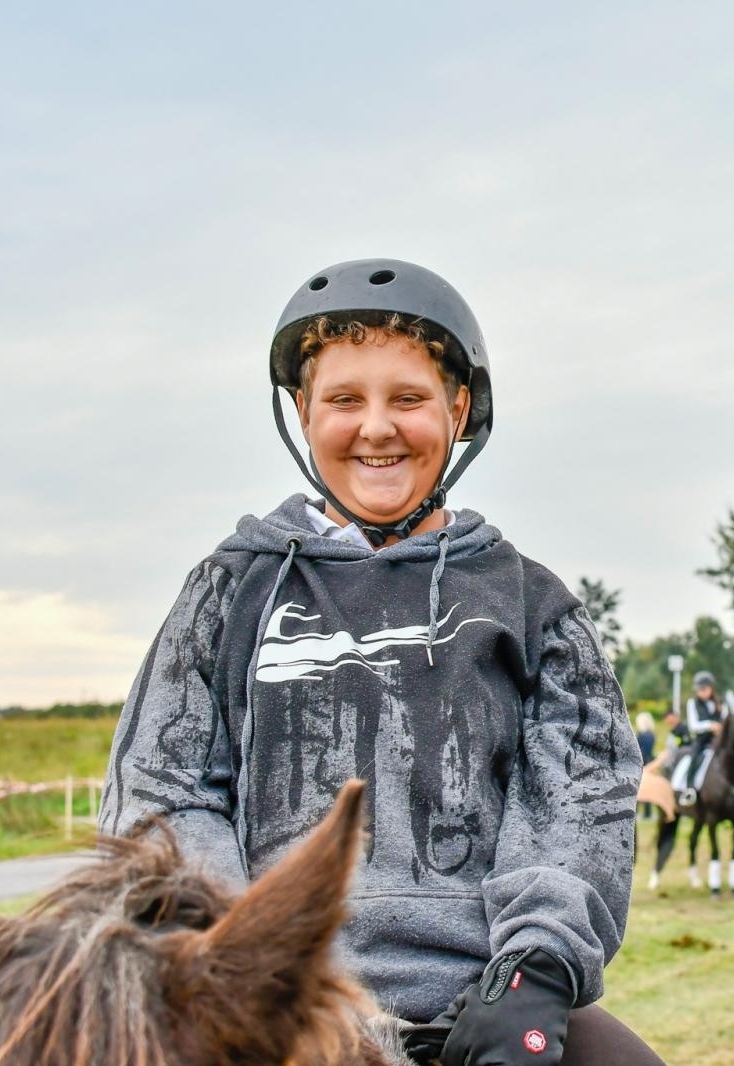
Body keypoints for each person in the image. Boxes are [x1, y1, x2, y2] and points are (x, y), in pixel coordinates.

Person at [100, 259, 663, 1066]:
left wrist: (532, 973)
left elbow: (578, 800)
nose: (376, 428)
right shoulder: (226, 592)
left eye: (407, 399)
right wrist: (240, 956)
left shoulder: (532, 604)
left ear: (457, 408)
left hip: (482, 993)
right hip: (272, 999)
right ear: (302, 413)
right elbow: (162, 793)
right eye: (343, 400)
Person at [669, 671, 721, 805]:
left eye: (704, 689)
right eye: (699, 690)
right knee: (693, 757)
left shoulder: (720, 703)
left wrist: (721, 727)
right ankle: (690, 789)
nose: (701, 692)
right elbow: (693, 725)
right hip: (702, 739)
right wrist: (710, 725)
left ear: (711, 688)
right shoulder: (692, 703)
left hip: (718, 740)